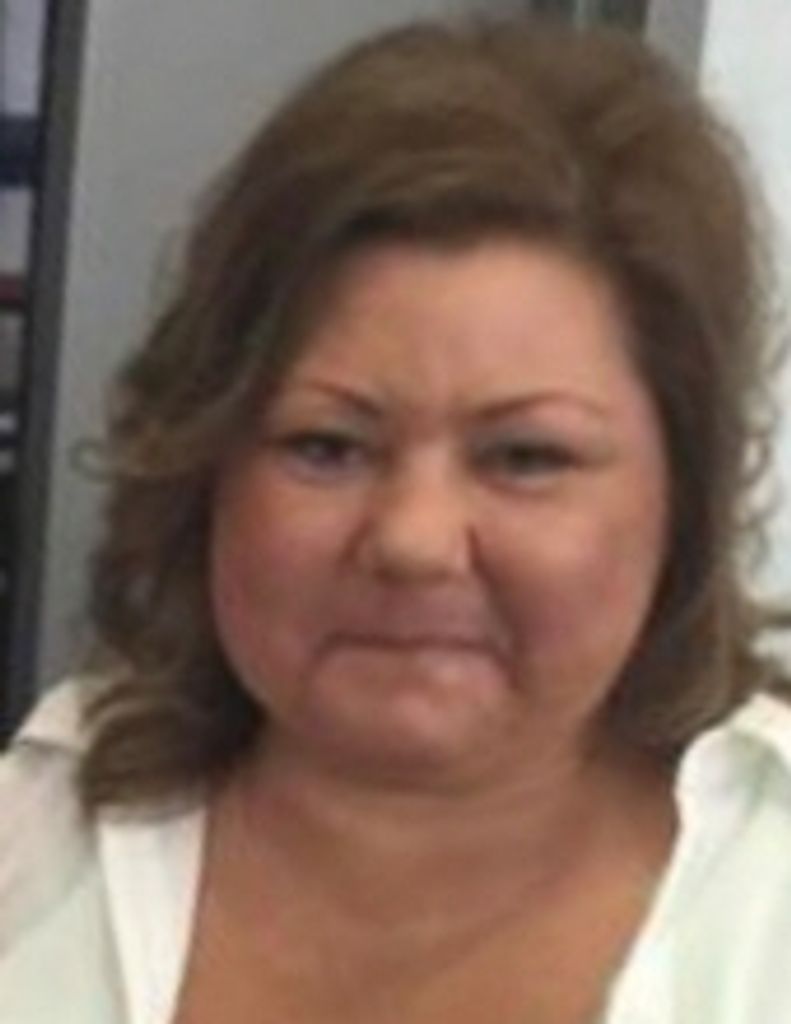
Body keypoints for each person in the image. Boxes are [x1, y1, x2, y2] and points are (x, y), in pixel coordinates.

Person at [1, 14, 790, 1024]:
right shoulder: (34, 844)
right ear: (205, 466)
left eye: (524, 458)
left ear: (679, 498)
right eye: (326, 447)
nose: (412, 540)